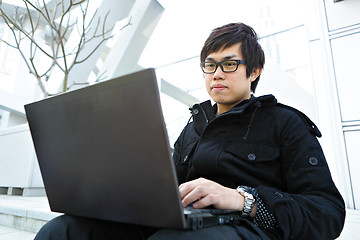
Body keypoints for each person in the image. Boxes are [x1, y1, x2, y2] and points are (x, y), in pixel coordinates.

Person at [34, 22, 345, 240]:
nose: (217, 74)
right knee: (64, 230)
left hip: (244, 229)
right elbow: (164, 189)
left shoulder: (284, 123)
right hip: (184, 223)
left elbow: (328, 213)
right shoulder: (193, 126)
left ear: (254, 71)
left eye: (229, 64)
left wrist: (243, 200)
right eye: (210, 65)